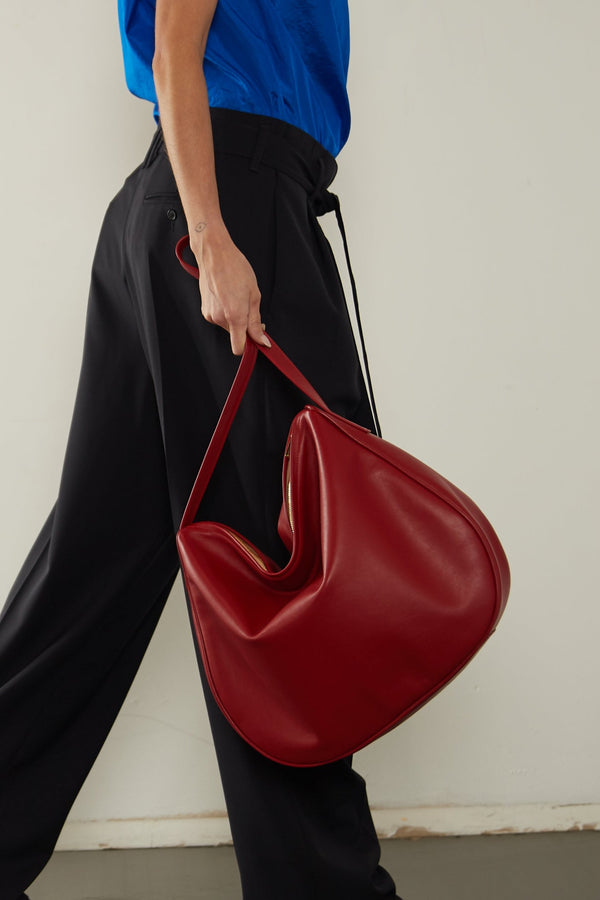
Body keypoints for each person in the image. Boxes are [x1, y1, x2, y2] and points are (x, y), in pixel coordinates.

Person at [0, 1, 402, 898]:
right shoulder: (223, 217)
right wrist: (214, 236)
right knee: (280, 573)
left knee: (95, 563)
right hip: (222, 209)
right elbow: (181, 42)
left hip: (194, 207)